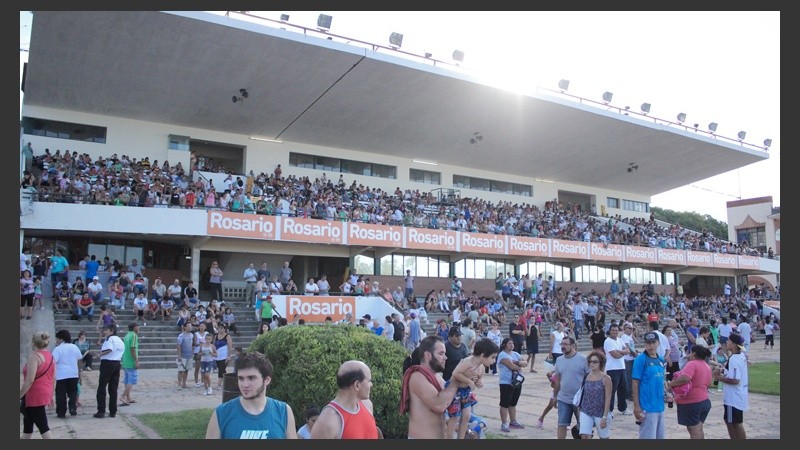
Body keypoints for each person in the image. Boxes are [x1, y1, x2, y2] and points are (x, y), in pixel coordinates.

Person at [205, 351, 298, 439]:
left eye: (251, 378)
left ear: (267, 380)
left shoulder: (283, 411)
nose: (245, 384)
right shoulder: (222, 413)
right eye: (241, 378)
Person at [400, 335, 474, 439]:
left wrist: (467, 379)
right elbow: (439, 405)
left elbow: (452, 398)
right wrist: (456, 378)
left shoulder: (437, 377)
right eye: (441, 353)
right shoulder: (417, 377)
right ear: (428, 355)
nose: (445, 357)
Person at [444, 338, 499, 438]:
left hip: (466, 392)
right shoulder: (467, 362)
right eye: (493, 357)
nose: (494, 361)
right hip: (455, 391)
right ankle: (449, 438)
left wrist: (479, 383)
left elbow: (477, 382)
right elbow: (455, 373)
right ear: (482, 355)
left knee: (466, 416)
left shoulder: (481, 367)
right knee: (455, 416)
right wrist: (468, 381)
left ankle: (461, 438)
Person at [311, 360, 379, 439]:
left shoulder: (367, 404)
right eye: (369, 381)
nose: (371, 384)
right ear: (357, 385)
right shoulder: (329, 421)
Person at [666, 345, 712, 439]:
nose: (689, 355)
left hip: (692, 402)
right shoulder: (706, 366)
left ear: (694, 353)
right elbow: (709, 383)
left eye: (690, 352)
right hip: (704, 400)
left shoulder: (692, 364)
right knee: (698, 429)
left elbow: (685, 378)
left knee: (694, 430)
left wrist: (671, 384)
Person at [552, 337, 590, 439]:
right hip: (563, 398)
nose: (563, 346)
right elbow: (557, 380)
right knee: (561, 425)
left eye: (565, 344)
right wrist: (555, 396)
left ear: (572, 345)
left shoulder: (583, 359)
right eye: (561, 344)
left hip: (580, 400)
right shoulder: (559, 360)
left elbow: (590, 377)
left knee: (584, 427)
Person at [632, 331, 667, 439]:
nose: (651, 345)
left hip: (660, 405)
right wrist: (636, 406)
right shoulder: (640, 360)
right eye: (648, 343)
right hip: (647, 406)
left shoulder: (661, 359)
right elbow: (635, 382)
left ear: (658, 343)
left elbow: (661, 379)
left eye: (653, 342)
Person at [20, 332, 55, 439]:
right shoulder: (51, 356)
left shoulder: (34, 357)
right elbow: (53, 378)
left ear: (33, 343)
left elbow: (30, 380)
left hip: (34, 395)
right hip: (45, 392)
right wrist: (51, 395)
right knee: (28, 423)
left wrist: (20, 395)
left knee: (43, 427)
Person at [715, 333, 749, 439]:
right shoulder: (740, 355)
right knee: (734, 421)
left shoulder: (734, 359)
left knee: (733, 422)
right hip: (739, 395)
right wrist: (724, 371)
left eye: (729, 341)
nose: (727, 342)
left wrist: (719, 378)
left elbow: (735, 380)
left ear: (733, 344)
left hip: (733, 397)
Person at [578, 350, 612, 439]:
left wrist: (604, 416)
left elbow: (608, 398)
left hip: (600, 412)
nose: (592, 363)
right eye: (590, 361)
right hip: (586, 410)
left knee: (604, 437)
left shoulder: (606, 378)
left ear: (601, 363)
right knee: (584, 436)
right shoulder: (586, 376)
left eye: (595, 362)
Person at [94, 323, 124, 418]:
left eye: (106, 330)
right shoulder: (119, 340)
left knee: (102, 387)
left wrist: (100, 354)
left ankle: (101, 410)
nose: (104, 332)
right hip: (117, 363)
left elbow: (109, 349)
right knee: (113, 388)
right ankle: (113, 411)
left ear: (111, 331)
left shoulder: (109, 339)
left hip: (107, 363)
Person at [52, 329, 82, 418]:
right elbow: (79, 359)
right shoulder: (74, 347)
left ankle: (61, 412)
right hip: (73, 373)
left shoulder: (57, 349)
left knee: (60, 394)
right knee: (73, 392)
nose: (56, 341)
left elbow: (53, 361)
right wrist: (79, 371)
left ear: (61, 339)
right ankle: (72, 407)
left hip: (61, 374)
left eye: (57, 339)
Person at [603, 323, 630, 416]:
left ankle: (622, 408)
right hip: (612, 368)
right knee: (612, 389)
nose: (615, 332)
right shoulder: (608, 341)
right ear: (610, 331)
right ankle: (609, 410)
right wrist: (623, 352)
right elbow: (615, 355)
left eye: (616, 330)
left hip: (621, 367)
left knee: (623, 389)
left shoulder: (620, 340)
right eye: (613, 330)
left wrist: (620, 351)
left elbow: (627, 350)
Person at [120, 322, 140, 406]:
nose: (138, 329)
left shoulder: (126, 336)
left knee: (127, 380)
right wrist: (136, 361)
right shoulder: (134, 336)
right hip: (131, 361)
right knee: (131, 380)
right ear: (135, 327)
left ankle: (128, 398)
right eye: (138, 327)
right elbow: (132, 349)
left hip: (125, 360)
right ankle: (123, 396)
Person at [176, 322, 194, 389]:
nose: (190, 327)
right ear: (185, 327)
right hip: (183, 355)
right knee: (181, 370)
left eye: (191, 326)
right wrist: (179, 355)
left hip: (189, 355)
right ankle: (179, 384)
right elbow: (178, 346)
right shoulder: (181, 336)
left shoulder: (192, 335)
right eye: (188, 326)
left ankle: (184, 383)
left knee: (186, 370)